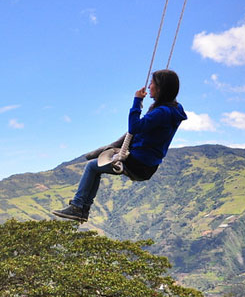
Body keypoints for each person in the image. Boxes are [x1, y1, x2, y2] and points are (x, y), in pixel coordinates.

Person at [52, 69, 187, 223]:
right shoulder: (175, 109)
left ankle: (78, 207)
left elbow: (134, 128)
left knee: (91, 167)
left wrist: (137, 101)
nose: (149, 86)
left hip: (138, 162)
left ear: (161, 88)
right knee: (95, 169)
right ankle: (82, 209)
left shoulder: (162, 112)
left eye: (152, 84)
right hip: (148, 165)